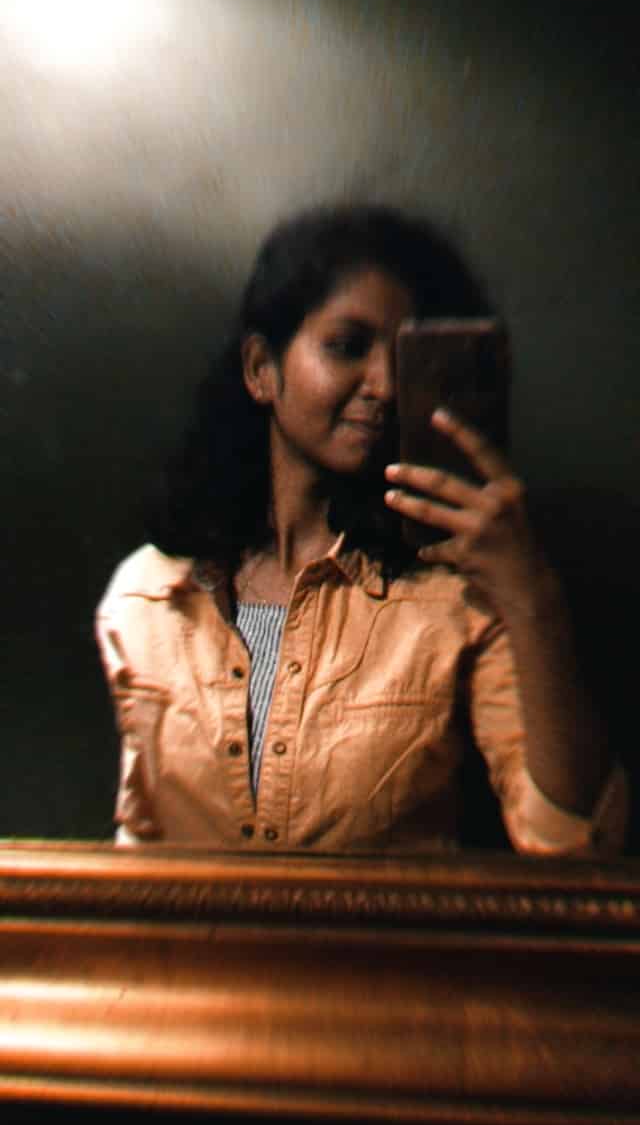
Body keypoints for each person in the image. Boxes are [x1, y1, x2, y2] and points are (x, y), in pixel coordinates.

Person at [96, 204, 627, 853]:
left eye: (404, 356)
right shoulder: (149, 597)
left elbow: (571, 842)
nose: (384, 385)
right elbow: (136, 850)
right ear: (261, 369)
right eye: (348, 347)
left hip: (390, 927)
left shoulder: (456, 596)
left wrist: (530, 594)